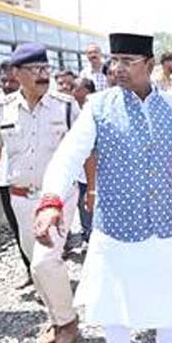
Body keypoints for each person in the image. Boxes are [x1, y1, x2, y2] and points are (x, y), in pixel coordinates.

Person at [36, 33, 172, 343]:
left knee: (170, 307)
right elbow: (69, 156)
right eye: (114, 60)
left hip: (165, 229)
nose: (117, 68)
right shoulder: (98, 107)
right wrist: (52, 200)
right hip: (117, 232)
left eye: (127, 60)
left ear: (150, 64)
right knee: (115, 314)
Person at [0, 44, 82, 343]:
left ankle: (69, 321)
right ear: (16, 74)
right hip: (20, 198)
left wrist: (93, 190)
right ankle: (55, 319)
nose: (43, 75)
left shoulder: (66, 106)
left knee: (46, 261)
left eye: (46, 68)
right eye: (35, 70)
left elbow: (86, 150)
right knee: (35, 264)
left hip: (58, 199)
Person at [0, 61, 30, 285]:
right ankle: (30, 271)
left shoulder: (35, 102)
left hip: (31, 177)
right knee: (17, 227)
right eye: (4, 80)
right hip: (5, 178)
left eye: (13, 80)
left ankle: (47, 274)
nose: (8, 85)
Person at [72, 76, 97, 245]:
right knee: (83, 205)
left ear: (88, 91)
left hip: (96, 171)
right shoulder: (71, 112)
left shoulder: (97, 112)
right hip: (79, 173)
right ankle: (87, 234)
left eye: (77, 88)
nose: (73, 92)